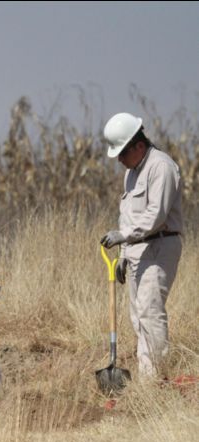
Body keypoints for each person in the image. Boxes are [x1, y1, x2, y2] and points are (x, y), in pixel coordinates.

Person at [100, 113, 183, 379]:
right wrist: (124, 253)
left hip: (161, 246)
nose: (120, 160)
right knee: (137, 316)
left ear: (138, 145)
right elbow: (129, 215)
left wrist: (122, 236)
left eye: (122, 153)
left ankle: (154, 381)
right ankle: (147, 375)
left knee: (150, 312)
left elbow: (156, 215)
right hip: (136, 248)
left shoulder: (162, 167)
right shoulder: (131, 174)